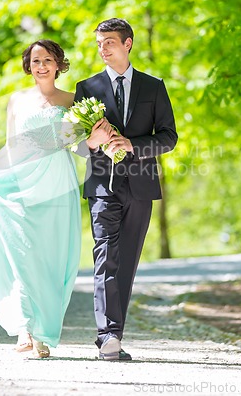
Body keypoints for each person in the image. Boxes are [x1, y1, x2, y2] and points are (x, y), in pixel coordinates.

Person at [0, 40, 81, 359]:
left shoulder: (73, 99)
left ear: (58, 64)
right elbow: (13, 148)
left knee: (51, 257)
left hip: (57, 183)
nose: (41, 65)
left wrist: (76, 137)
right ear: (28, 65)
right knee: (22, 252)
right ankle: (25, 327)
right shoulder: (17, 101)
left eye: (47, 59)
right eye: (35, 60)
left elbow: (80, 141)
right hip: (22, 182)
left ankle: (45, 334)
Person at [74, 18, 177, 361]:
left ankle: (115, 330)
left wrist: (132, 144)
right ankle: (108, 337)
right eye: (99, 43)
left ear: (128, 44)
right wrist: (92, 140)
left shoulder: (153, 87)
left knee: (127, 261)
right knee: (105, 257)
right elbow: (76, 144)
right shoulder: (86, 87)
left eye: (109, 43)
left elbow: (168, 137)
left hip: (141, 186)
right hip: (102, 185)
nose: (103, 49)